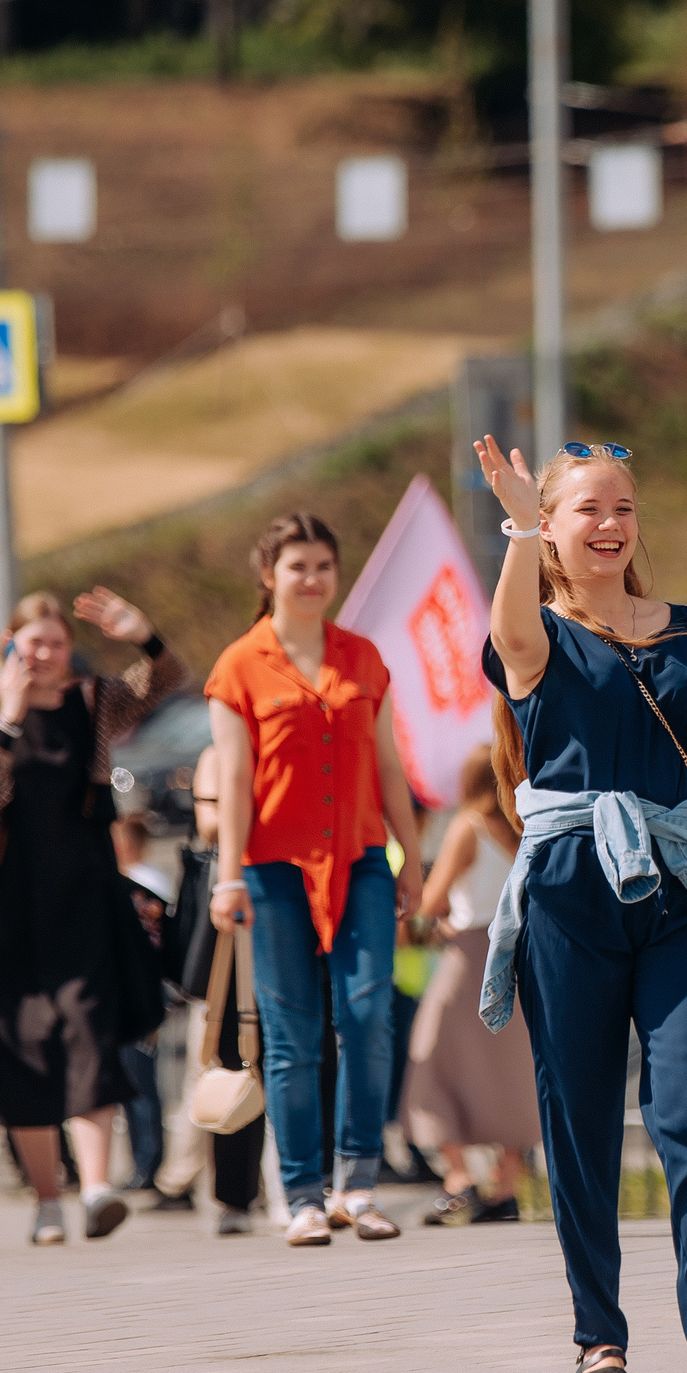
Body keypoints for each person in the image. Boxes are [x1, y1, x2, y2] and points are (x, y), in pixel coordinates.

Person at [476, 435, 687, 1373]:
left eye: (623, 508)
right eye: (587, 510)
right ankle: (598, 1338)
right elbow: (507, 633)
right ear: (552, 525)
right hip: (570, 894)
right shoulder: (538, 631)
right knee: (577, 1124)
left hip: (679, 894)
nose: (610, 525)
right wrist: (518, 528)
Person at [206, 514, 426, 1247]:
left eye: (324, 565)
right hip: (271, 870)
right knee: (292, 1033)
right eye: (297, 565)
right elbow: (235, 779)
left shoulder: (364, 657)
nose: (312, 579)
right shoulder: (239, 664)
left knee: (368, 1015)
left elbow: (390, 766)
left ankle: (358, 1184)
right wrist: (229, 877)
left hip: (360, 859)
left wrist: (412, 858)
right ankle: (301, 1193)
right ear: (268, 573)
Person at [0, 588, 185, 1245]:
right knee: (21, 1048)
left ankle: (97, 1187)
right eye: (33, 645)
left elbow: (166, 681)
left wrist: (143, 634)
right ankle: (48, 1199)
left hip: (82, 899)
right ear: (9, 647)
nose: (46, 655)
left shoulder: (93, 701)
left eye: (56, 643)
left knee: (88, 1035)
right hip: (9, 908)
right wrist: (9, 715)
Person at [401, 746, 539, 1226]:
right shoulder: (525, 829)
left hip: (469, 957)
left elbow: (433, 901)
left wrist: (425, 923)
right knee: (510, 1069)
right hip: (518, 958)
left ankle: (458, 1180)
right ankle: (507, 1183)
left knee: (431, 1059)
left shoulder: (467, 828)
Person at [151, 746, 271, 1235]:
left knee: (290, 1055)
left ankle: (289, 1187)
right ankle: (229, 1195)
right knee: (223, 1058)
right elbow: (210, 827)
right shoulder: (218, 756)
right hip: (233, 924)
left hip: (285, 904)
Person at [111, 813, 175, 1192]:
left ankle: (148, 1163)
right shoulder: (136, 882)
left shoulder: (144, 884)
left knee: (141, 1086)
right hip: (129, 995)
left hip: (142, 995)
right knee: (131, 1085)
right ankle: (141, 1162)